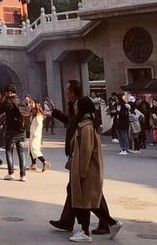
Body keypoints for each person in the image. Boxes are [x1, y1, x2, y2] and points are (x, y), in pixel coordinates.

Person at [47, 80, 112, 236]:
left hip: (81, 159)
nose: (65, 92)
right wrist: (54, 112)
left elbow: (86, 146)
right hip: (75, 155)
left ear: (73, 91)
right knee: (74, 189)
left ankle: (106, 222)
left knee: (88, 191)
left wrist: (81, 169)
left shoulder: (84, 109)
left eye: (66, 89)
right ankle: (67, 221)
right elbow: (70, 123)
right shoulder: (76, 107)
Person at [68, 96, 122, 243]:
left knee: (84, 202)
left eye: (77, 105)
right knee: (89, 202)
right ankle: (112, 223)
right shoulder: (87, 124)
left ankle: (85, 232)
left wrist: (82, 172)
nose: (75, 108)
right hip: (88, 169)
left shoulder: (85, 127)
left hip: (86, 170)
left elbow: (85, 151)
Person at [0, 84, 26, 181]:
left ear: (8, 92)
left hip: (11, 130)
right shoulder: (21, 101)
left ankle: (11, 173)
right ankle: (23, 175)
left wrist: (3, 99)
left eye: (6, 92)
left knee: (9, 151)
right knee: (21, 152)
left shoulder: (8, 101)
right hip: (21, 130)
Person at [29, 100, 50, 172]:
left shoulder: (38, 114)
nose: (30, 104)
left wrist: (35, 134)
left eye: (31, 103)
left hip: (36, 135)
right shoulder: (33, 113)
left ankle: (44, 162)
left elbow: (39, 126)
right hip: (32, 134)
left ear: (36, 104)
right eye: (30, 103)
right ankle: (33, 165)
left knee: (35, 149)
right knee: (31, 149)